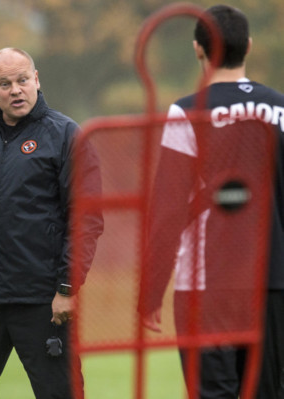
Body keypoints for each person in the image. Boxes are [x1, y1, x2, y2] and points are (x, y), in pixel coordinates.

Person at [139, 5, 284, 398]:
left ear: (198, 49)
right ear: (248, 46)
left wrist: (151, 293)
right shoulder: (282, 110)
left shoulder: (188, 113)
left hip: (207, 288)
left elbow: (168, 209)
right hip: (273, 283)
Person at [0, 47, 104, 399]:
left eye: (22, 80)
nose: (15, 90)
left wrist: (67, 288)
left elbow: (87, 219)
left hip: (42, 300)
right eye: (5, 83)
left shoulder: (65, 136)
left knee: (61, 392)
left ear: (36, 79)